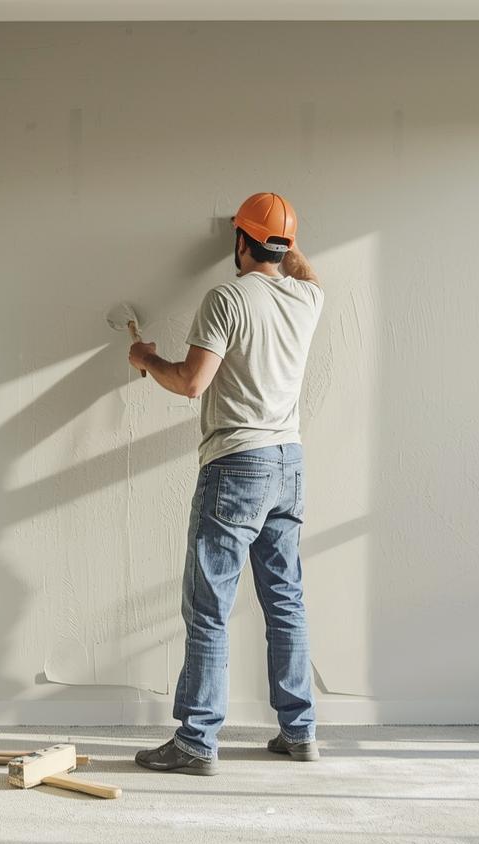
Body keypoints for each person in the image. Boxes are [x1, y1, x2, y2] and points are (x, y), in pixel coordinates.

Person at [129, 191, 324, 775]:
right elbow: (300, 268)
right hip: (288, 463)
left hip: (237, 465)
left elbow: (191, 383)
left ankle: (195, 741)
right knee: (284, 600)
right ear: (287, 246)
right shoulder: (309, 298)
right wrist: (281, 239)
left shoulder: (227, 298)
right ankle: (300, 730)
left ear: (239, 241)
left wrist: (145, 359)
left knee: (210, 606)